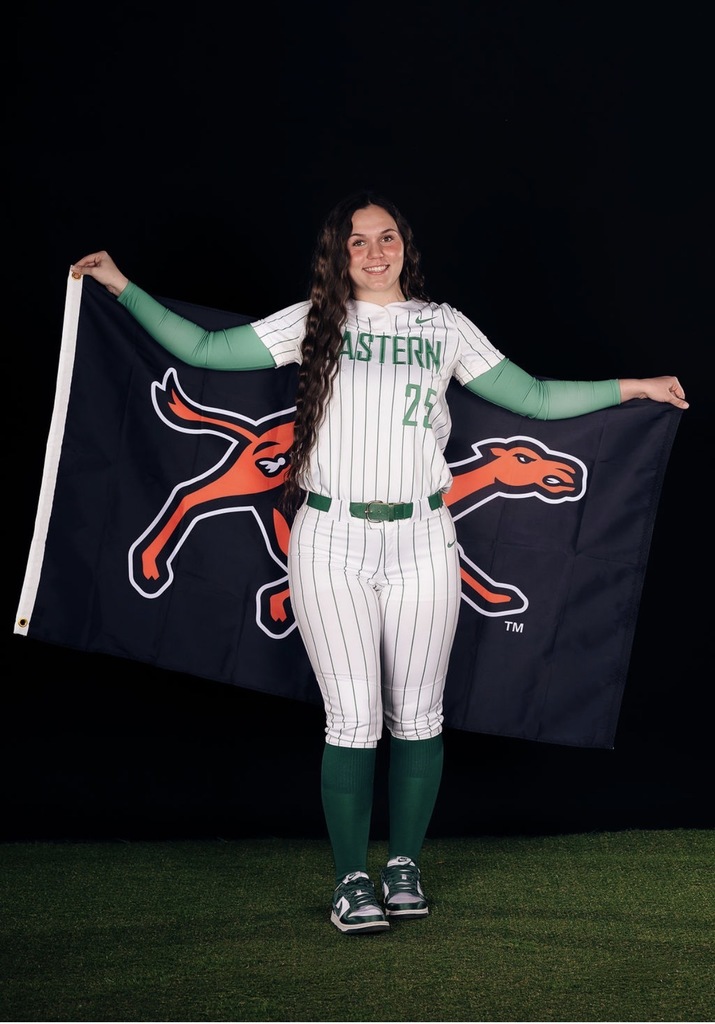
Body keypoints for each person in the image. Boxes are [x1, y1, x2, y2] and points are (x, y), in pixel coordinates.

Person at [71, 190, 688, 936]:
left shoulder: (443, 325)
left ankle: (402, 866)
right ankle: (349, 881)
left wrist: (637, 387)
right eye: (357, 241)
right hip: (330, 540)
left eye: (385, 237)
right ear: (339, 253)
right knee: (354, 720)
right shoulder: (315, 320)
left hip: (425, 539)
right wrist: (120, 285)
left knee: (419, 717)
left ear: (405, 247)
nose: (373, 251)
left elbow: (530, 396)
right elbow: (203, 351)